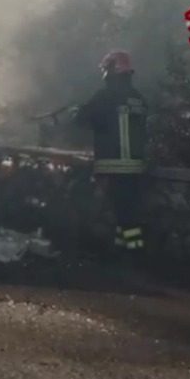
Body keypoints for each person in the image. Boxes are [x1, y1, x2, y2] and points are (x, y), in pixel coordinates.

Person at [73, 50, 148, 251]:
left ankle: (134, 251)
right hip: (135, 165)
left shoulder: (105, 96)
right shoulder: (138, 98)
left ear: (111, 71)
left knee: (120, 213)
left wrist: (78, 111)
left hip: (114, 165)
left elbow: (82, 120)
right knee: (127, 210)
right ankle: (123, 249)